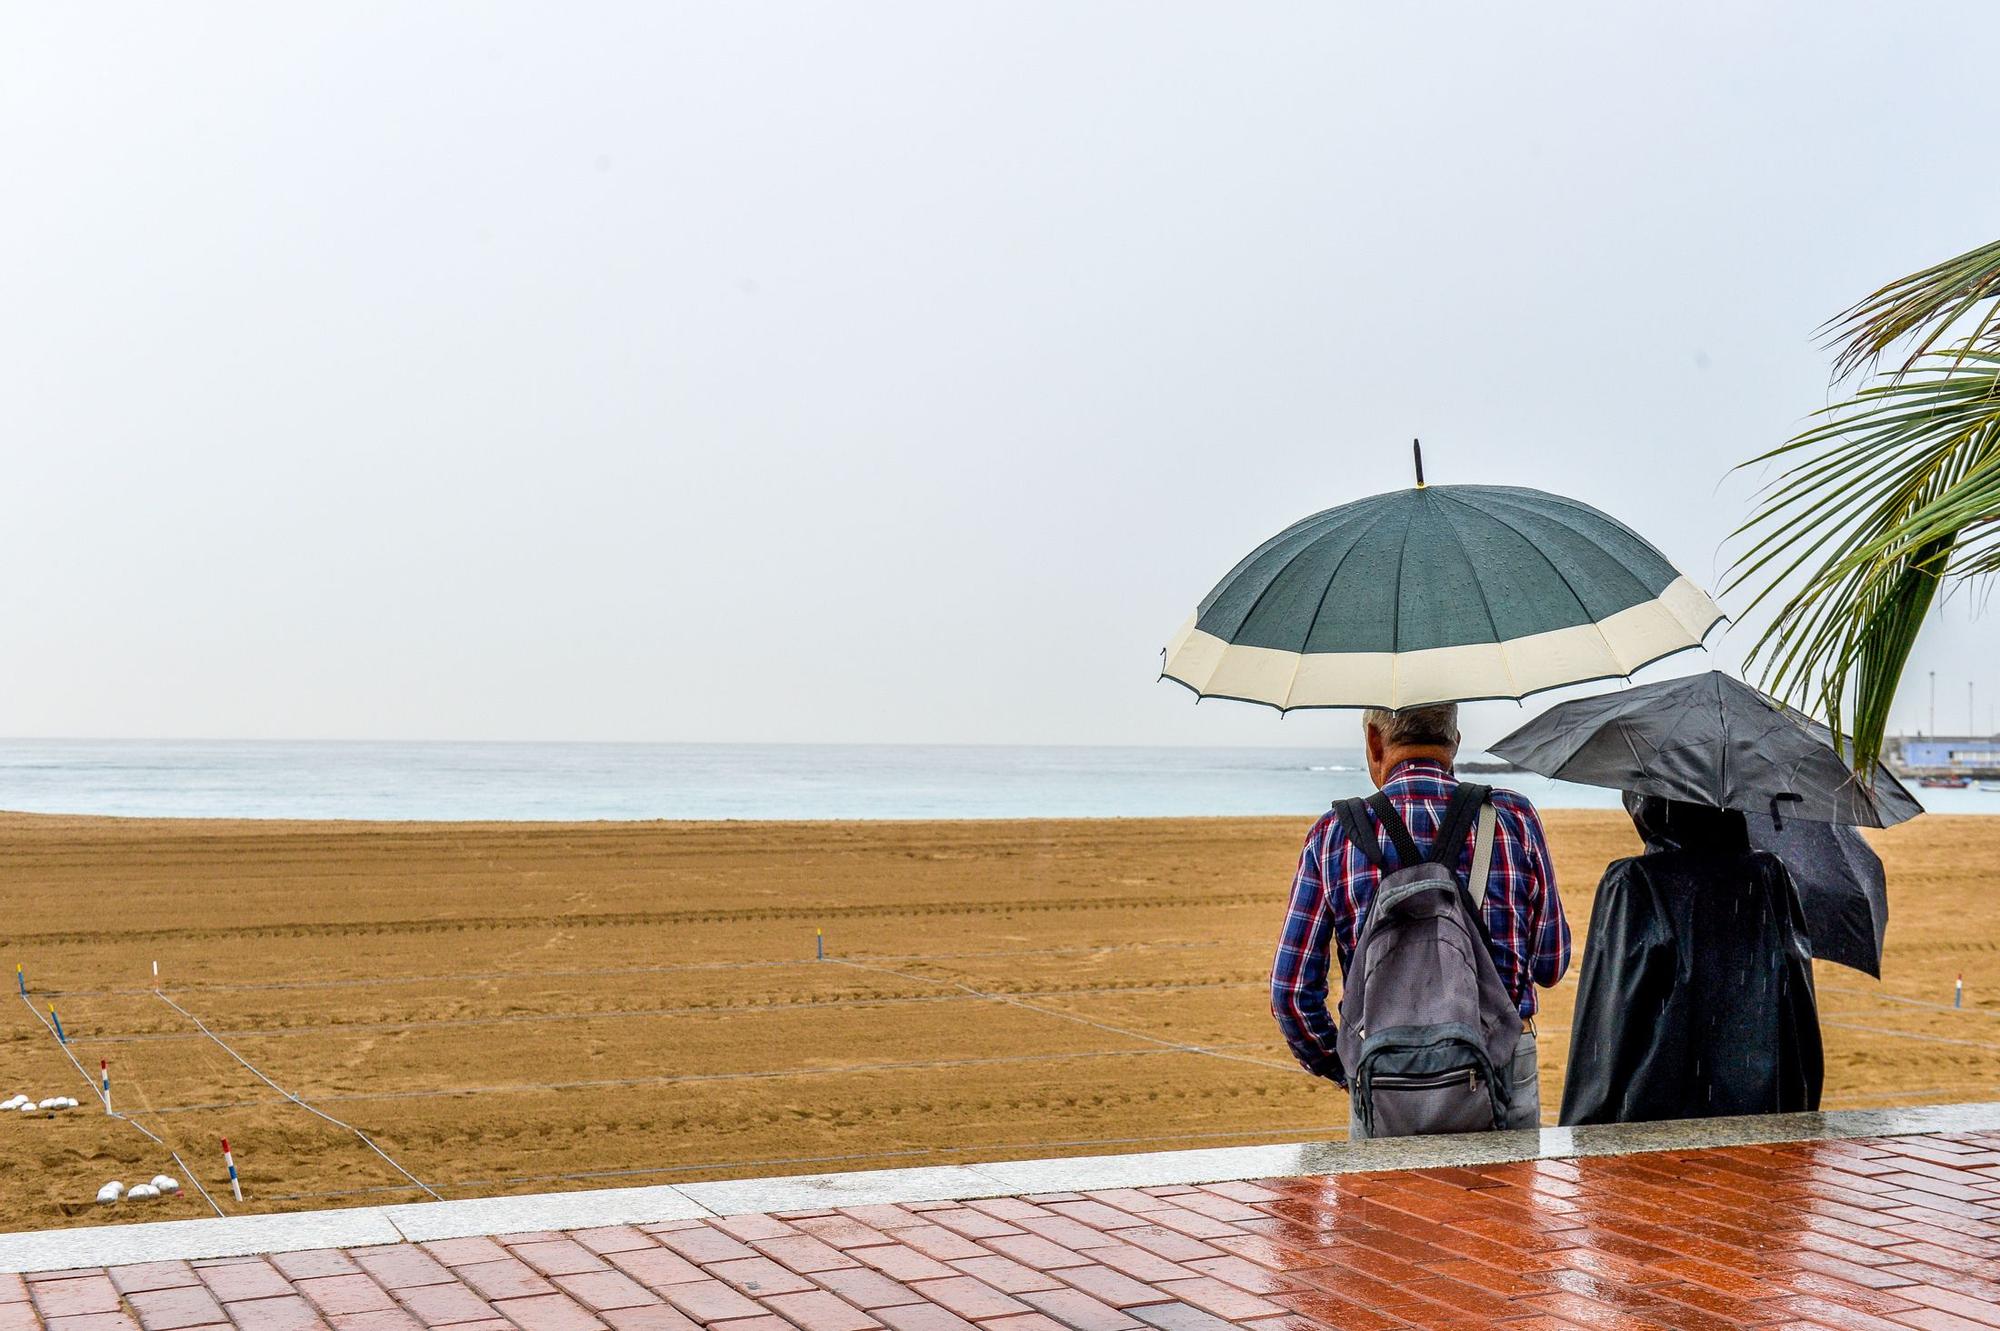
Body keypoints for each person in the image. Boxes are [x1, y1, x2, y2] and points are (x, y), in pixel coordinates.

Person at [1271, 703, 1570, 1136]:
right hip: (1501, 1065)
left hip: (1382, 1073)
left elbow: (1292, 994)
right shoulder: (1513, 818)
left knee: (1388, 1204)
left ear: (1374, 741)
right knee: (1503, 1202)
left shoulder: (1333, 834)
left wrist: (1349, 1067)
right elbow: (1551, 965)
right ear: (1455, 740)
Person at [1559, 794, 1823, 1125]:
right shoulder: (1769, 875)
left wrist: (1583, 1128)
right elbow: (1798, 1009)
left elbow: (1607, 1027)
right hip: (1761, 1108)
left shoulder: (1634, 881)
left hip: (1654, 1112)